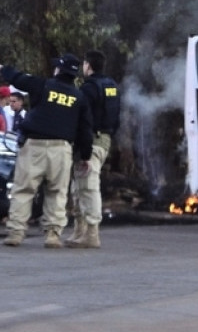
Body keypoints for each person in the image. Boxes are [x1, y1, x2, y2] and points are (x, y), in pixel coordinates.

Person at [0, 54, 93, 248]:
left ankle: (16, 233)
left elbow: (19, 78)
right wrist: (85, 156)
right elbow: (85, 130)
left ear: (58, 71)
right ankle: (53, 234)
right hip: (61, 150)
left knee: (23, 190)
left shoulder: (43, 85)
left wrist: (2, 68)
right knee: (57, 192)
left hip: (34, 146)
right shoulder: (79, 97)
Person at [65, 49, 120, 248]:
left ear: (88, 65)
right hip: (104, 139)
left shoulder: (89, 88)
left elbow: (83, 119)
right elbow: (116, 117)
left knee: (88, 186)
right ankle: (79, 231)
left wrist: (83, 146)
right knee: (79, 186)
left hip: (91, 140)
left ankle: (91, 233)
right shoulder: (112, 86)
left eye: (84, 64)